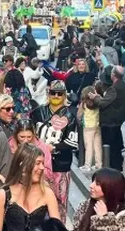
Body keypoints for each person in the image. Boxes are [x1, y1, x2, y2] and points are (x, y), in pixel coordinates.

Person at [32, 81, 78, 216]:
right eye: (53, 93)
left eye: (59, 93)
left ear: (64, 95)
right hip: (38, 163)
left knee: (59, 202)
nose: (56, 96)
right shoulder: (38, 112)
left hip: (60, 165)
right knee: (37, 201)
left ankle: (58, 226)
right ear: (48, 93)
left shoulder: (70, 114)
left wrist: (53, 147)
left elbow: (72, 141)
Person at [88, 66, 125, 171]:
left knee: (111, 147)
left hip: (110, 121)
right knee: (116, 146)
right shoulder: (123, 85)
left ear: (113, 75)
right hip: (117, 120)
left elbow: (103, 103)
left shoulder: (114, 88)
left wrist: (95, 98)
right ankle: (116, 166)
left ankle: (113, 167)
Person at [78, 86, 102, 172]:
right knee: (97, 147)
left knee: (88, 147)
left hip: (88, 128)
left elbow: (79, 115)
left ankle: (87, 165)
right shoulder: (97, 103)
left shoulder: (83, 104)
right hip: (97, 126)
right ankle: (98, 164)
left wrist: (80, 119)